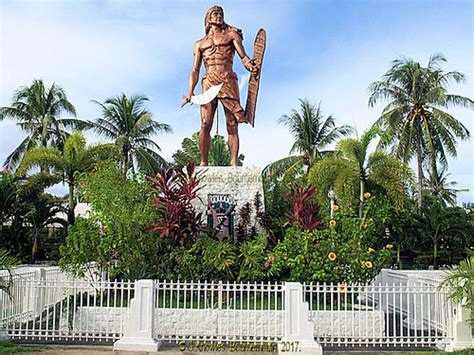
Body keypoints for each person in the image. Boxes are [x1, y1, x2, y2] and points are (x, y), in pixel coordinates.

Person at [182, 6, 257, 166]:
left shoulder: (231, 35)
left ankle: (234, 162)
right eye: (215, 14)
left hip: (228, 79)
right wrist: (190, 92)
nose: (219, 16)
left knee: (232, 123)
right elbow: (195, 69)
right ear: (208, 18)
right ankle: (203, 162)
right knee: (205, 123)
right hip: (208, 81)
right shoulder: (199, 44)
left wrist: (250, 65)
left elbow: (243, 57)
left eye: (221, 14)